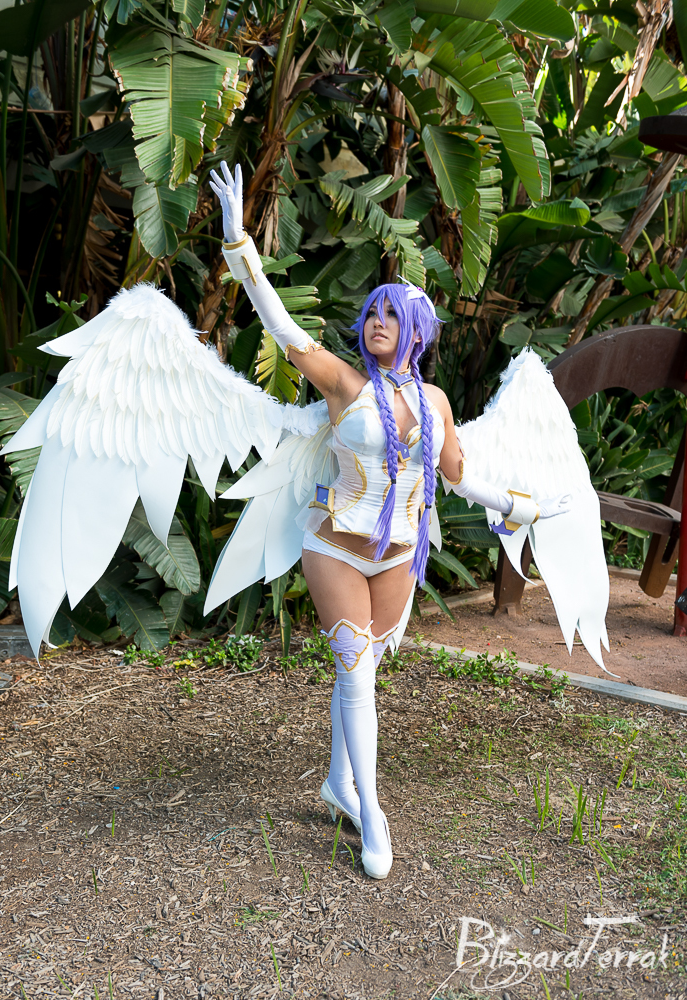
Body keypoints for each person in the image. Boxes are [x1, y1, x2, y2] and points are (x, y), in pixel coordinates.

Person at [210, 162, 571, 879]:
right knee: (357, 677)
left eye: (391, 315)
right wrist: (239, 242)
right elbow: (282, 327)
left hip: (400, 555)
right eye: (371, 313)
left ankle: (337, 782)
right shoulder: (344, 384)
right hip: (337, 546)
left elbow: (459, 479)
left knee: (362, 675)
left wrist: (521, 508)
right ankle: (371, 811)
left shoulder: (435, 402)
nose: (376, 322)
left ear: (416, 331)